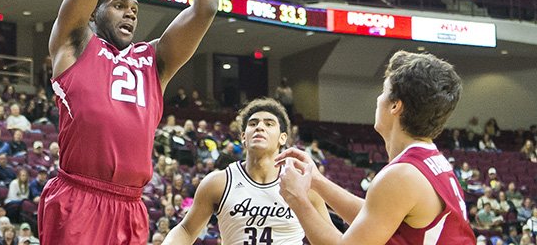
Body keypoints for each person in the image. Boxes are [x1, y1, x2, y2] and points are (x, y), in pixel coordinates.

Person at [38, 0, 226, 245]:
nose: (130, 13)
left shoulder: (153, 62)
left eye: (135, 10)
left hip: (130, 206)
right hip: (78, 195)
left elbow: (205, 8)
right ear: (94, 12)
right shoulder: (74, 43)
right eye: (119, 5)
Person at [276, 51, 476, 244]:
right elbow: (376, 216)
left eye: (383, 91)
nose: (378, 99)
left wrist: (297, 199)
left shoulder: (403, 175)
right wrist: (317, 181)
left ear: (395, 106)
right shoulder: (429, 159)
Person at [162, 98, 329, 244]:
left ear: (283, 137)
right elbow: (186, 230)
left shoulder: (304, 185)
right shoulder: (218, 183)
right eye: (253, 123)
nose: (260, 127)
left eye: (269, 124)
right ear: (243, 137)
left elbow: (329, 240)